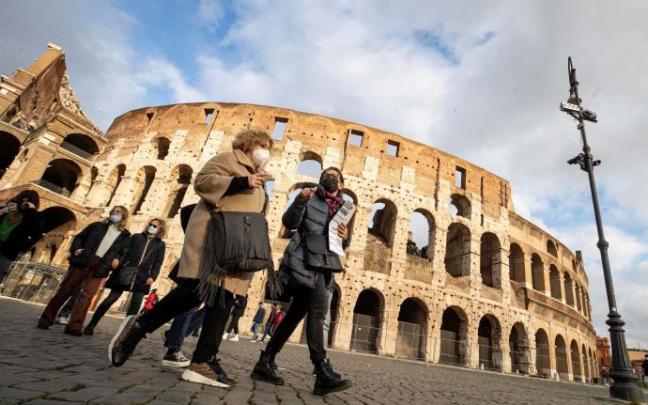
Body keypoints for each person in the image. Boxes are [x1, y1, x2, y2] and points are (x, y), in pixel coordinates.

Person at [109, 128, 276, 389]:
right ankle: (138, 329)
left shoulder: (261, 178)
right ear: (247, 144)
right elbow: (203, 181)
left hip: (237, 245)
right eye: (261, 144)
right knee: (193, 292)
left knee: (223, 298)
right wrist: (241, 182)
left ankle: (203, 361)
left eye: (268, 146)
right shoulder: (228, 159)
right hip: (214, 237)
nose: (264, 149)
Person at [251, 167, 353, 396]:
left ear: (342, 184)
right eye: (327, 174)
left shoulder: (344, 209)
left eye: (336, 176)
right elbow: (289, 221)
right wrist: (299, 200)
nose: (331, 177)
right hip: (304, 261)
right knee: (318, 311)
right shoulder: (310, 197)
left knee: (294, 315)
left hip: (326, 265)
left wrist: (345, 236)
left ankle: (265, 362)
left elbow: (342, 243)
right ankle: (322, 371)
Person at [38, 206, 130, 336]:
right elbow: (79, 238)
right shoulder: (97, 226)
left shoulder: (125, 236)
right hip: (85, 259)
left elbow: (124, 253)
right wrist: (77, 248)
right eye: (114, 211)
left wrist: (117, 260)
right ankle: (46, 319)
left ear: (124, 216)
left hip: (102, 265)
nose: (115, 214)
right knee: (66, 290)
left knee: (87, 296)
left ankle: (75, 326)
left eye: (119, 212)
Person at [83, 219, 166, 335]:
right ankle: (91, 324)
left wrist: (153, 276)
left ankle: (123, 334)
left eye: (154, 226)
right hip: (126, 270)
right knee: (110, 299)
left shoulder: (160, 244)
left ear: (160, 230)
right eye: (150, 225)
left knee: (135, 306)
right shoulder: (136, 237)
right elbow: (124, 251)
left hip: (143, 275)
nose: (151, 227)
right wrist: (117, 259)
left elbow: (158, 262)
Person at [0, 190, 44, 282]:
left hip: (9, 250)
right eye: (23, 200)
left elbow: (36, 234)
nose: (24, 203)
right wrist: (2, 211)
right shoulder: (7, 208)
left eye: (27, 202)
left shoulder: (34, 216)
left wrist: (32, 211)